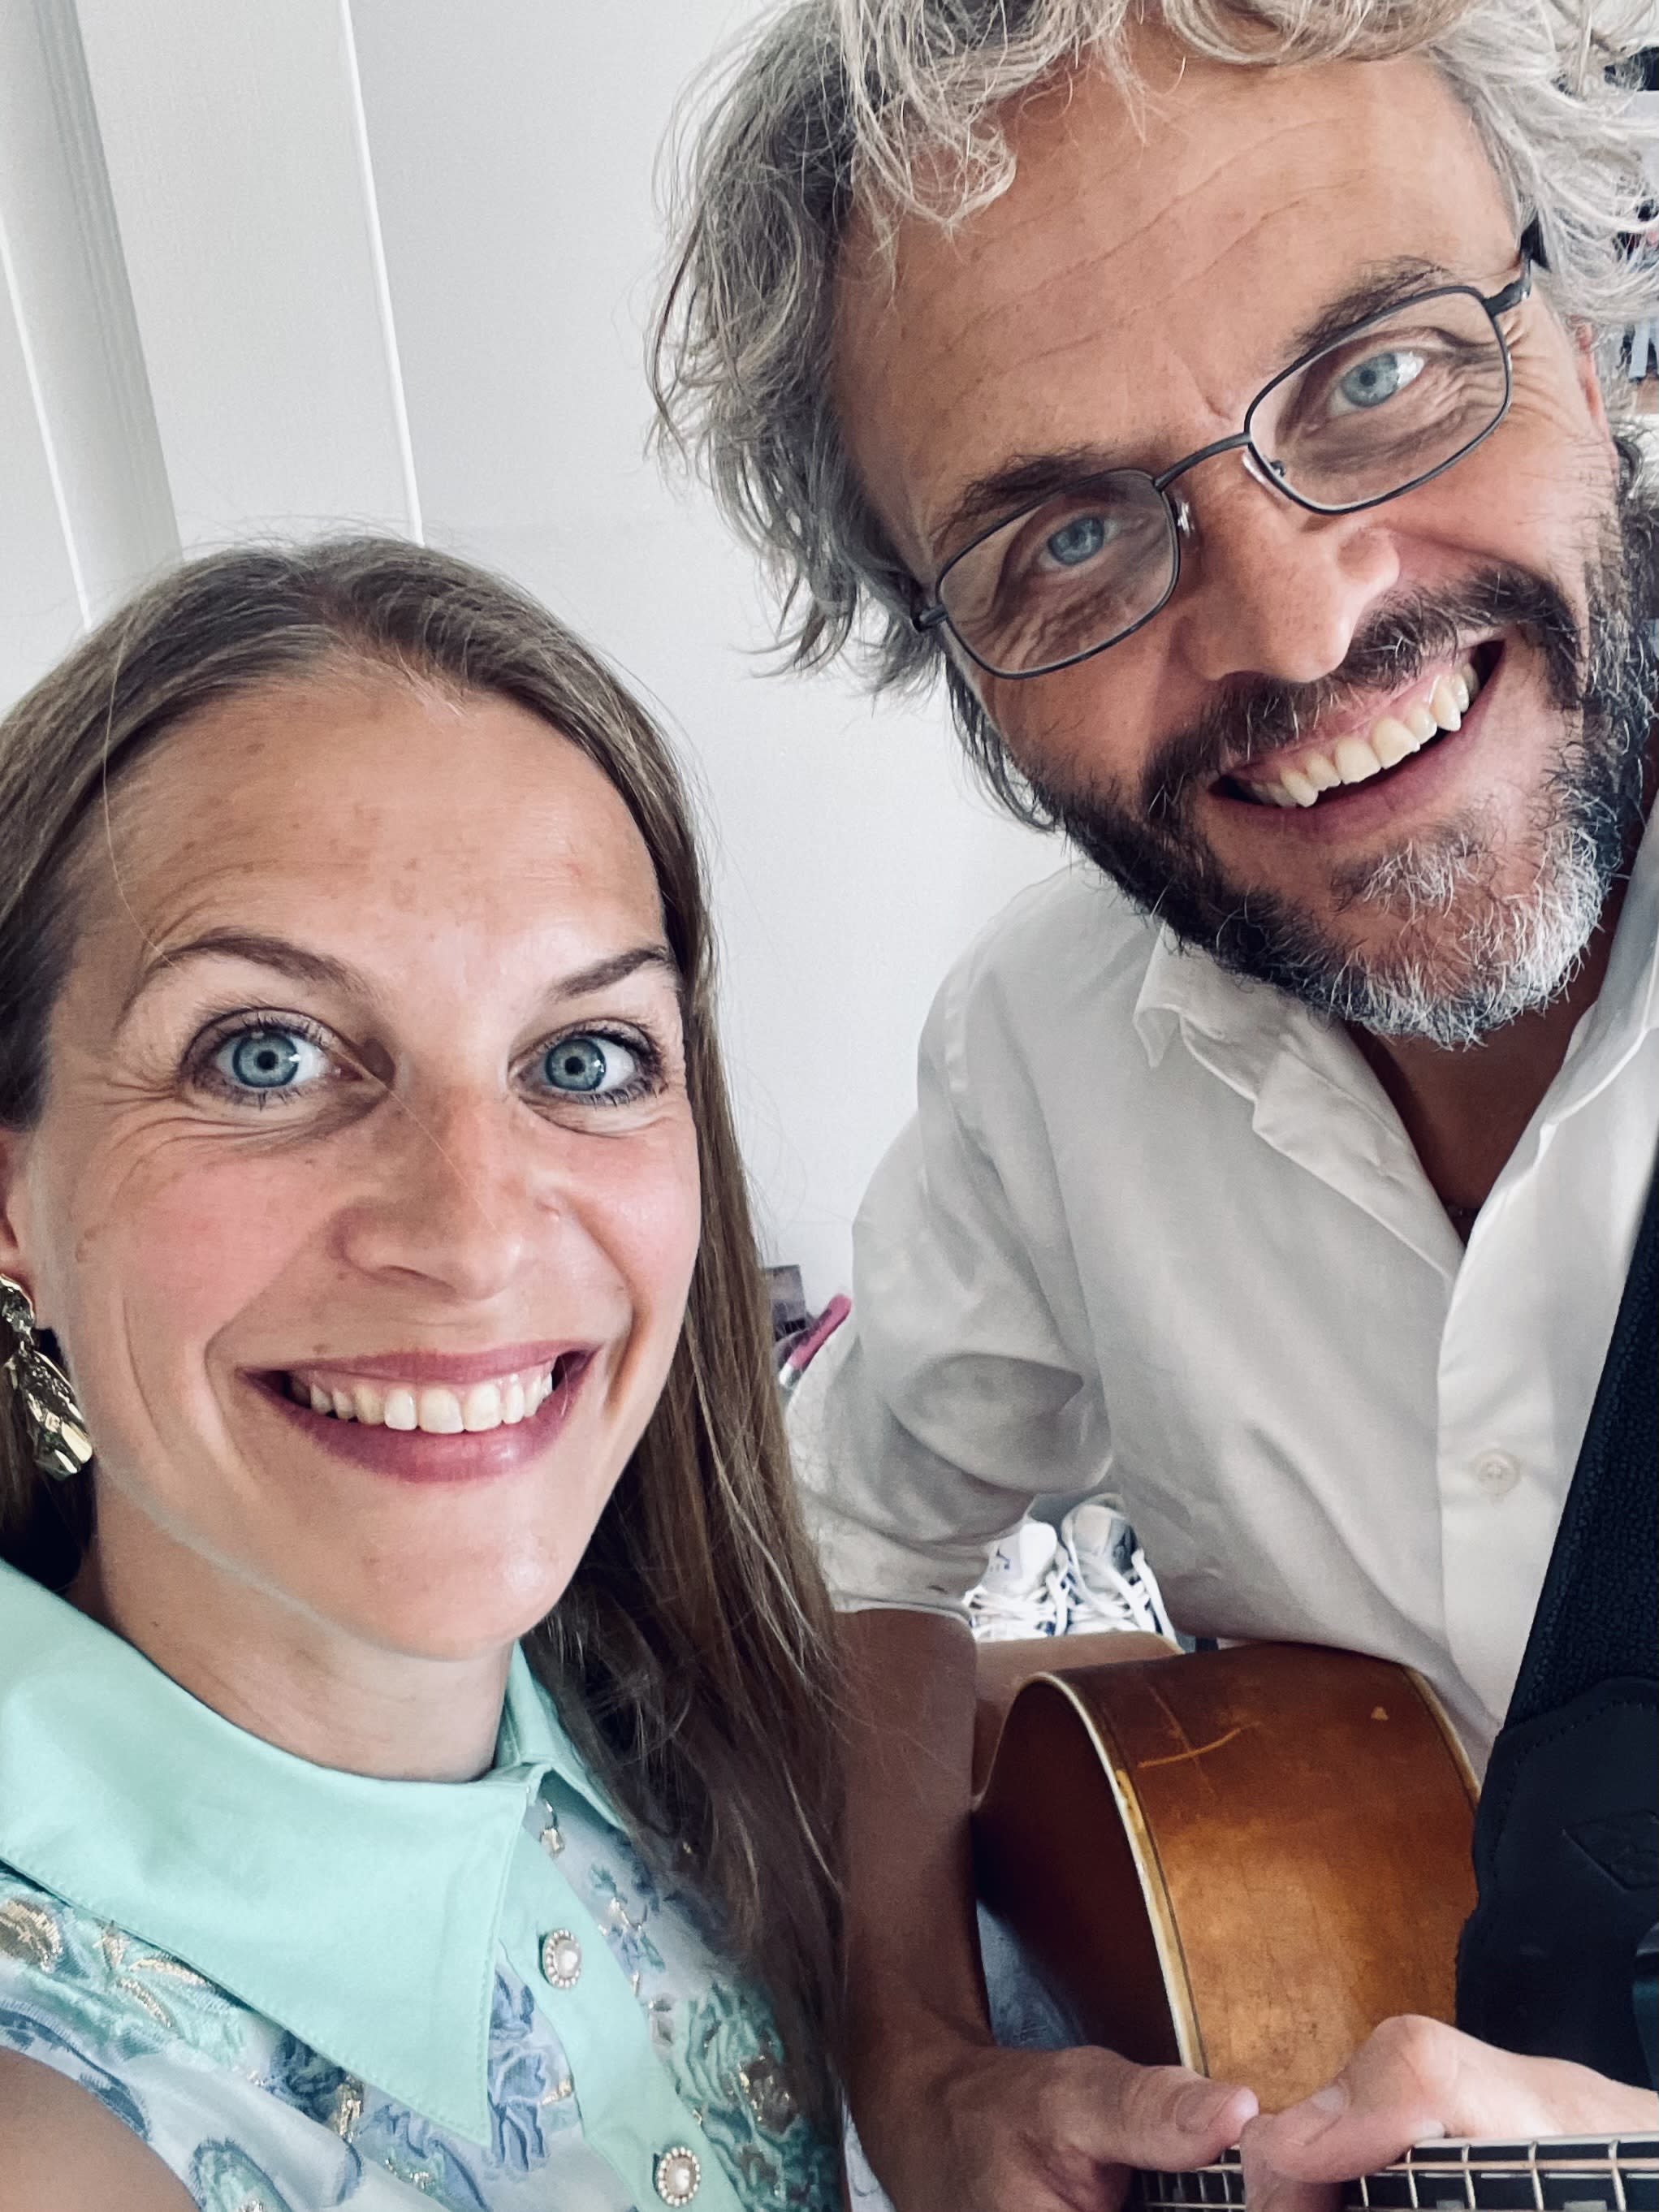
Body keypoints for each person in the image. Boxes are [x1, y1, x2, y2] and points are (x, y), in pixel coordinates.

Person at [651, 2, 1659, 2208]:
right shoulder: (1044, 1049)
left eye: (1375, 372)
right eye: (1073, 540)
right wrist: (910, 2055)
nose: (1293, 626)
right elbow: (857, 1540)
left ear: (1595, 339)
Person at [0, 539, 843, 2210]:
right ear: (13, 1195)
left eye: (584, 1057)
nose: (472, 1236)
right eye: (264, 1055)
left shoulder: (660, 1700)